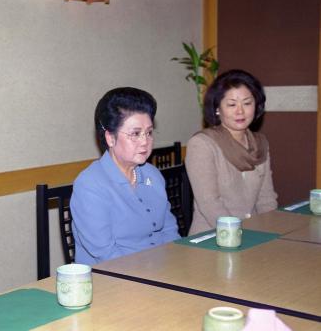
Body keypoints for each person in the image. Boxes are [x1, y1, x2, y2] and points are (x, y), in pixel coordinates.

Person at [70, 87, 180, 266]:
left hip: (160, 272)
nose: (145, 141)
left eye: (149, 132)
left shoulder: (153, 175)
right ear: (110, 138)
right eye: (135, 134)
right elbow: (106, 253)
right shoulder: (90, 185)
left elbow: (169, 230)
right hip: (112, 280)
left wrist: (175, 264)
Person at [185, 69, 278, 235]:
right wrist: (239, 235)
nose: (240, 111)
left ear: (256, 106)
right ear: (217, 109)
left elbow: (267, 199)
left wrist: (272, 232)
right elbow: (210, 204)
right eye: (232, 104)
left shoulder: (260, 144)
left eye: (247, 103)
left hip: (255, 233)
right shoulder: (202, 144)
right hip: (215, 236)